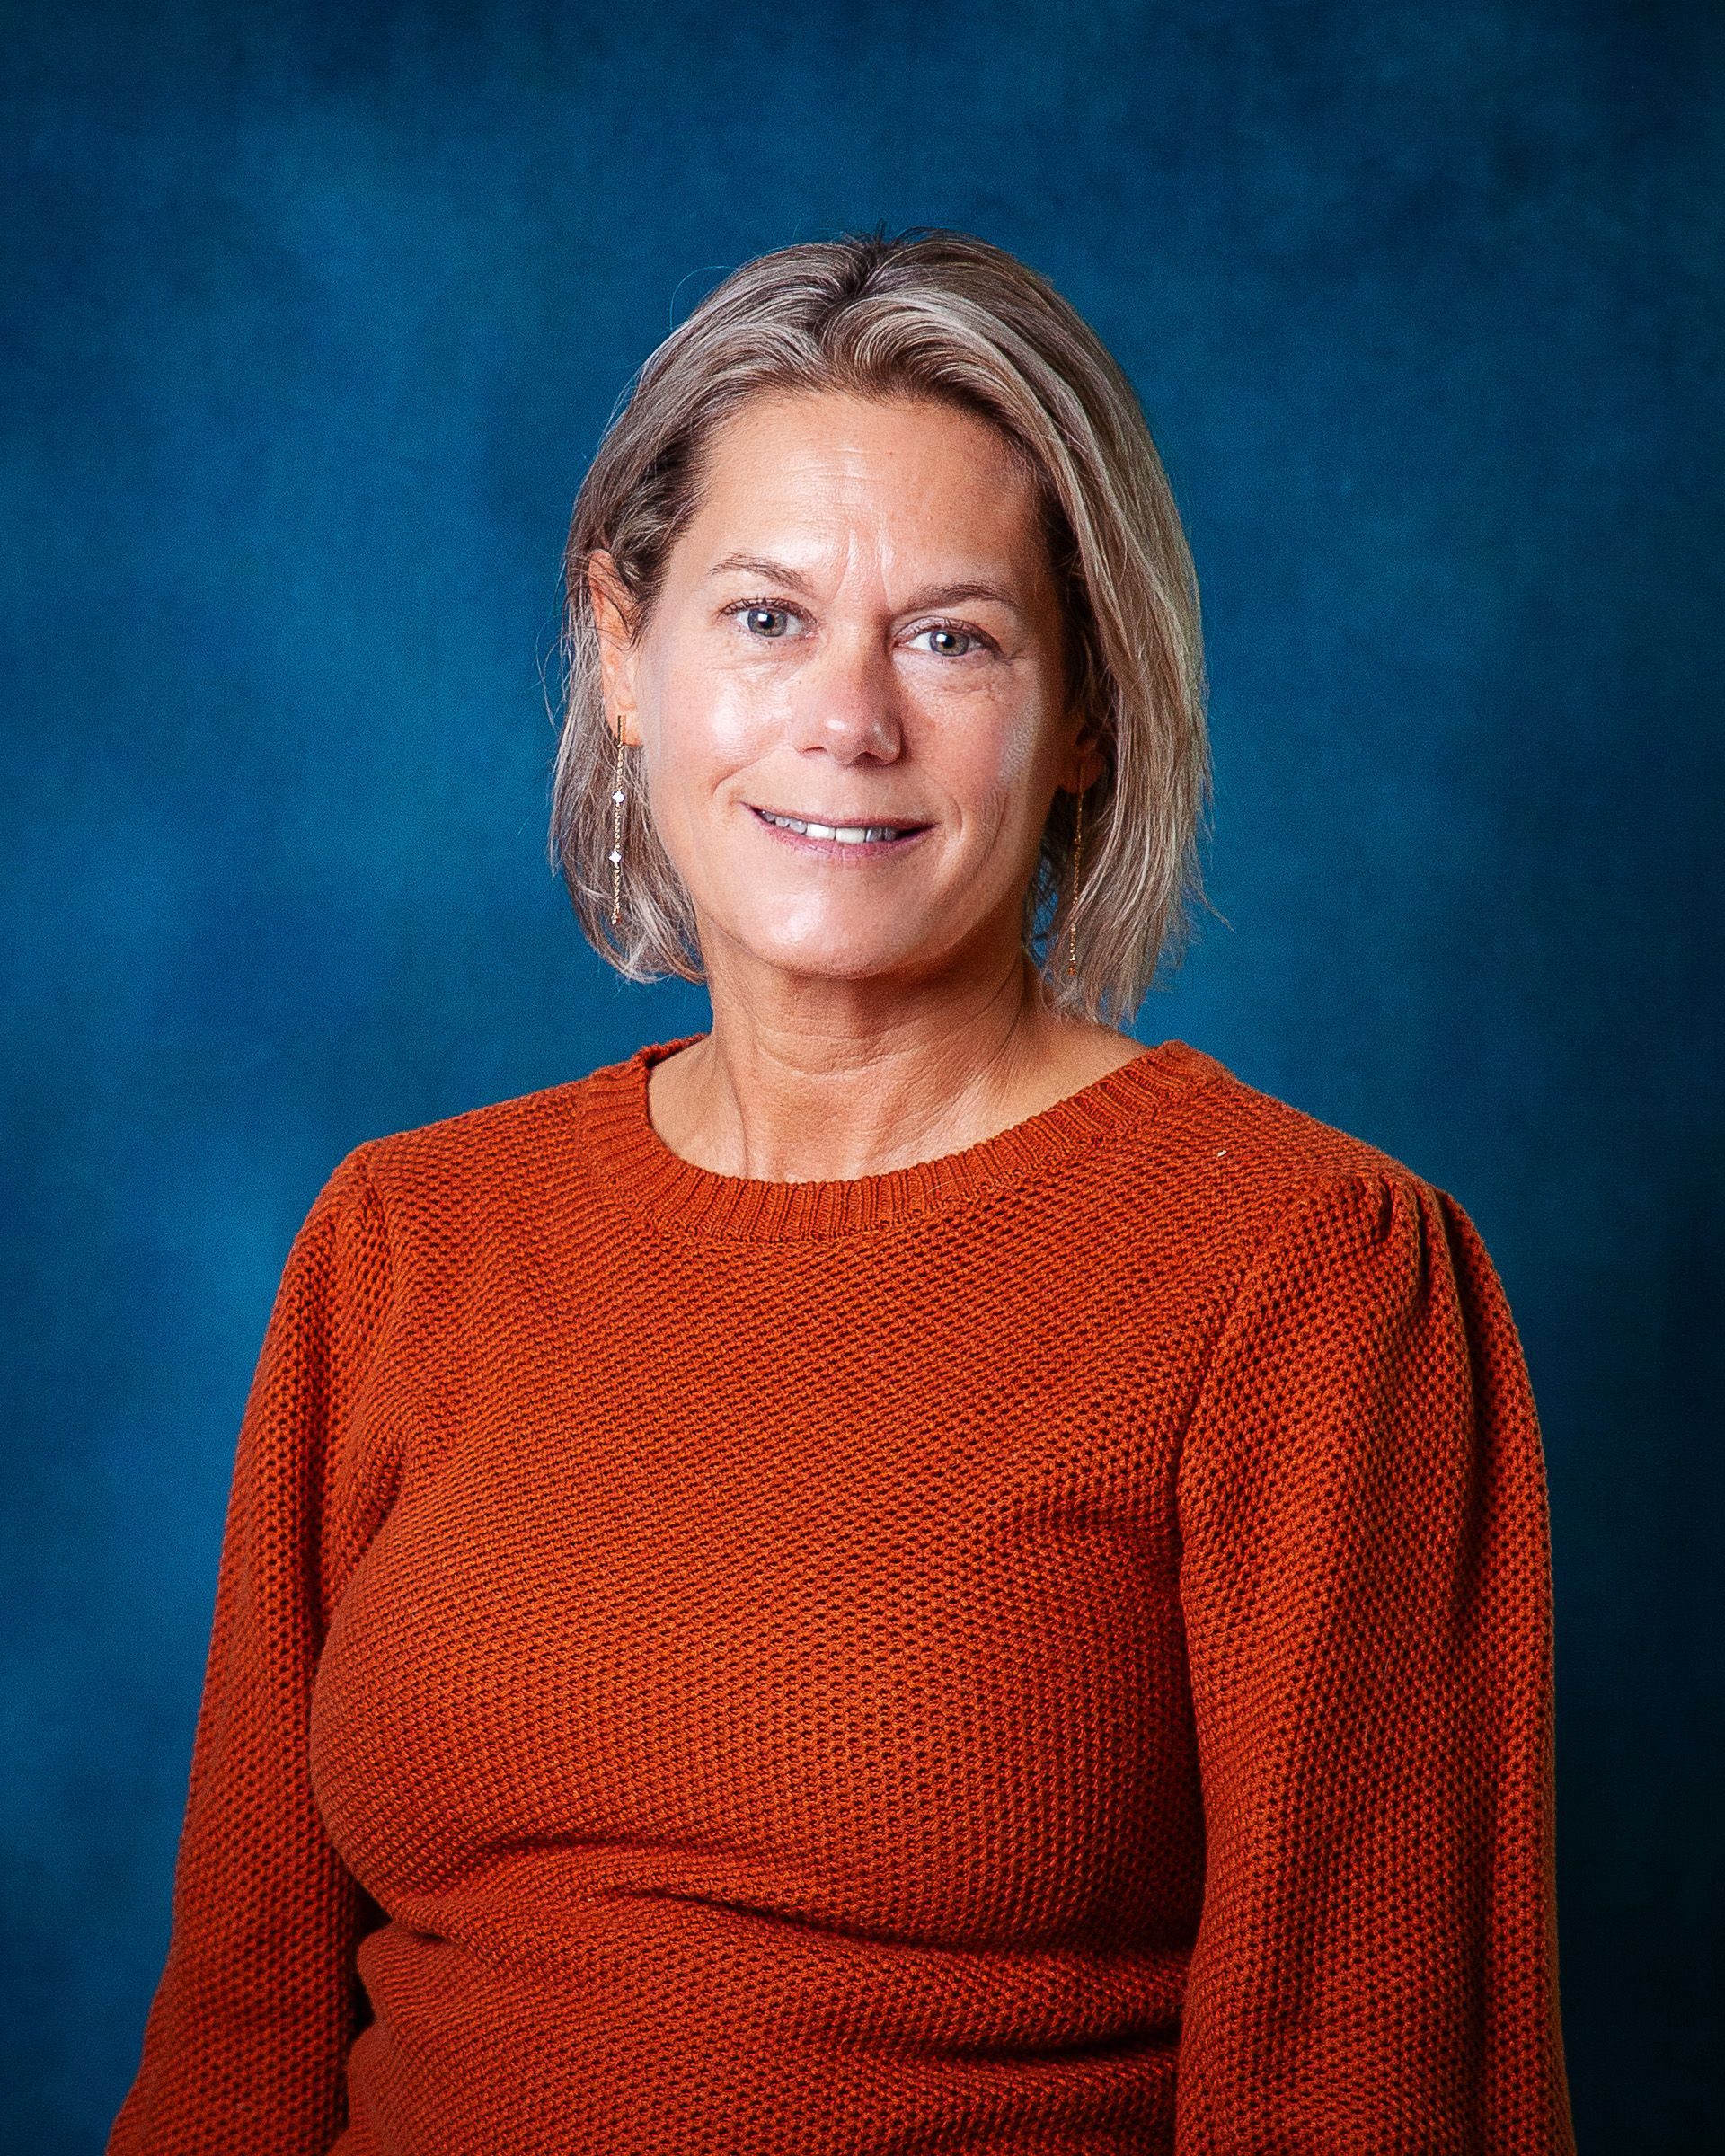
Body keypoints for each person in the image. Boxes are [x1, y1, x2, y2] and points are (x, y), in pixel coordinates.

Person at [109, 227, 1577, 2153]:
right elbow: (241, 2034)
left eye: (955, 637)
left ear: (1088, 723)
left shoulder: (1304, 1277)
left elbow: (1367, 2099)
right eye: (767, 617)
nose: (851, 722)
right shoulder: (406, 1246)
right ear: (623, 652)